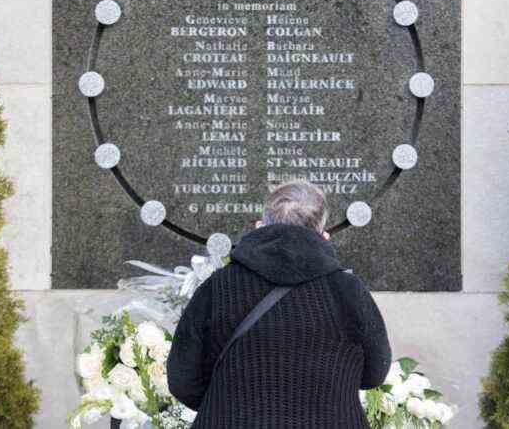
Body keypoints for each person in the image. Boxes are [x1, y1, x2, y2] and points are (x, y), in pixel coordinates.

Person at [167, 180, 391, 428]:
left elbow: (182, 380)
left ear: (260, 226)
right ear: (323, 234)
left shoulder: (217, 287)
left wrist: (228, 405)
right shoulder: (349, 291)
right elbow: (375, 372)